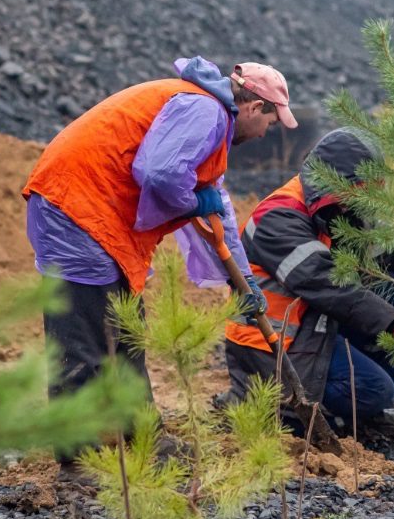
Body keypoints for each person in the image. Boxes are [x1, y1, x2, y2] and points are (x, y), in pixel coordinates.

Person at [22, 57, 297, 466]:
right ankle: (76, 462)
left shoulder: (208, 117)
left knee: (128, 333)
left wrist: (244, 284)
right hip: (75, 210)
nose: (264, 135)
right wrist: (191, 199)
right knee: (80, 339)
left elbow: (216, 209)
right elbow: (160, 174)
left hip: (100, 220)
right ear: (256, 107)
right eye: (271, 124)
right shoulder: (205, 111)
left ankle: (144, 439)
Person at [219, 128, 394, 440]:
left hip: (313, 327)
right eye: (354, 194)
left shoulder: (330, 209)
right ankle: (278, 410)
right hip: (272, 350)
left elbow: (383, 260)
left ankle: (366, 417)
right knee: (373, 390)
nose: (356, 205)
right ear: (332, 185)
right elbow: (330, 286)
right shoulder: (277, 219)